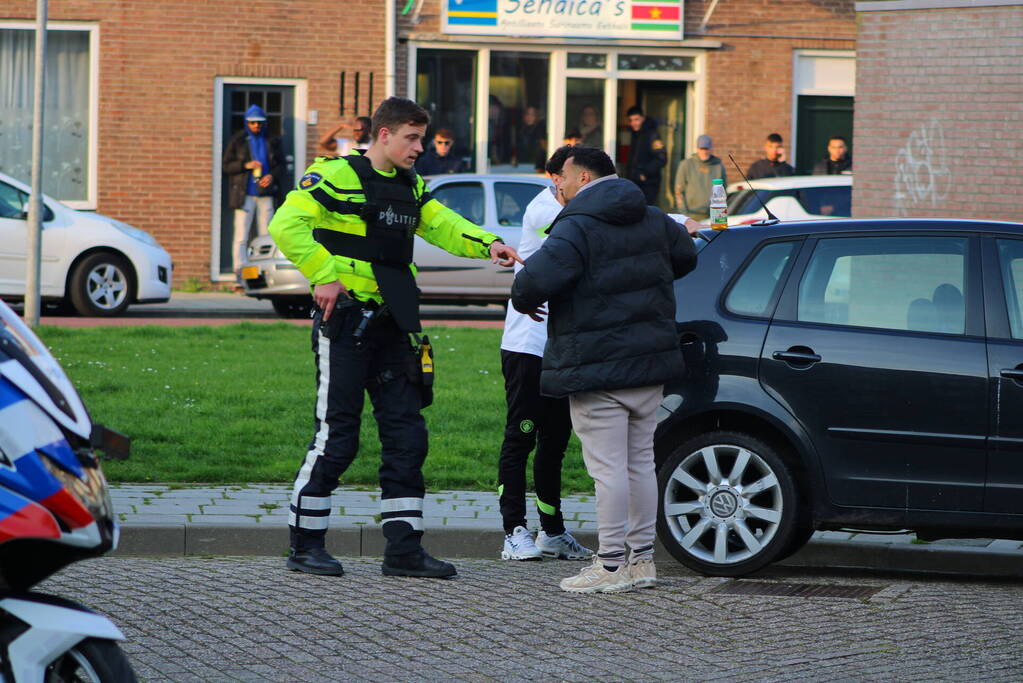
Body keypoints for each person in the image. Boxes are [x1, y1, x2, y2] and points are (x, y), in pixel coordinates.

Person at [268, 97, 522, 580]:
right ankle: (305, 545)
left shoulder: (411, 185)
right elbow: (285, 224)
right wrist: (322, 274)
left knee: (407, 437)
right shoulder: (335, 176)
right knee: (336, 438)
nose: (419, 148)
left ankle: (403, 550)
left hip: (394, 327)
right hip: (345, 325)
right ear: (383, 135)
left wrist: (489, 243)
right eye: (411, 138)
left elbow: (444, 225)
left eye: (422, 138)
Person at [510, 146, 697, 593]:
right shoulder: (653, 218)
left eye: (565, 179)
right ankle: (643, 561)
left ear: (585, 178)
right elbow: (687, 257)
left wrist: (529, 298)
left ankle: (610, 564)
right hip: (650, 362)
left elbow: (531, 282)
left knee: (608, 468)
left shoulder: (576, 226)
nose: (560, 187)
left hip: (596, 365)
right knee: (640, 463)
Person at [497, 146, 592, 563]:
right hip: (527, 346)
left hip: (561, 347)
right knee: (521, 437)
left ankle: (551, 532)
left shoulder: (574, 208)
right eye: (572, 178)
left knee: (555, 441)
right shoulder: (543, 213)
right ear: (556, 179)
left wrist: (683, 222)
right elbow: (600, 227)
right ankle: (512, 531)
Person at [222, 104, 285, 285]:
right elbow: (226, 166)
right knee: (241, 235)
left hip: (265, 193)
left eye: (259, 123)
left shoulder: (272, 140)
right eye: (253, 123)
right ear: (247, 123)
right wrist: (245, 166)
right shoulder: (238, 141)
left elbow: (281, 165)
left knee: (266, 234)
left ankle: (264, 273)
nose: (256, 126)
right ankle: (240, 274)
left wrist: (271, 176)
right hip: (244, 193)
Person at [673, 134, 726, 221]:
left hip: (713, 215)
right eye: (702, 149)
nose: (704, 152)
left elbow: (724, 192)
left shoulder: (718, 166)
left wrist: (720, 215)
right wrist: (684, 215)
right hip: (691, 215)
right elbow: (679, 191)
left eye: (706, 149)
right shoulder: (686, 165)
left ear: (711, 148)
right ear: (697, 149)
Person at [623, 106, 666, 206]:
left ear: (643, 118)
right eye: (631, 120)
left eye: (636, 119)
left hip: (648, 184)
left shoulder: (652, 135)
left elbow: (661, 158)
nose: (634, 123)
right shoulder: (635, 134)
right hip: (635, 183)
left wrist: (644, 173)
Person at [514, 105, 547, 172]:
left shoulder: (540, 129)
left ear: (537, 116)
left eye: (532, 115)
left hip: (536, 167)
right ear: (524, 116)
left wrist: (541, 166)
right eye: (527, 114)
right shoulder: (521, 130)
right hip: (521, 165)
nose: (529, 117)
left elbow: (544, 148)